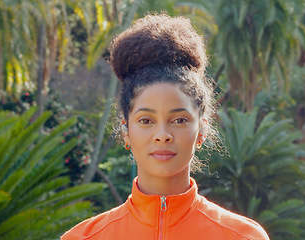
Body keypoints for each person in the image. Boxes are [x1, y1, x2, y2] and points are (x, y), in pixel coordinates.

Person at [61, 14, 269, 240]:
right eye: (146, 121)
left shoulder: (243, 236)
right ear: (125, 130)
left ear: (202, 130)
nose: (162, 135)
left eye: (179, 120)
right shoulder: (82, 237)